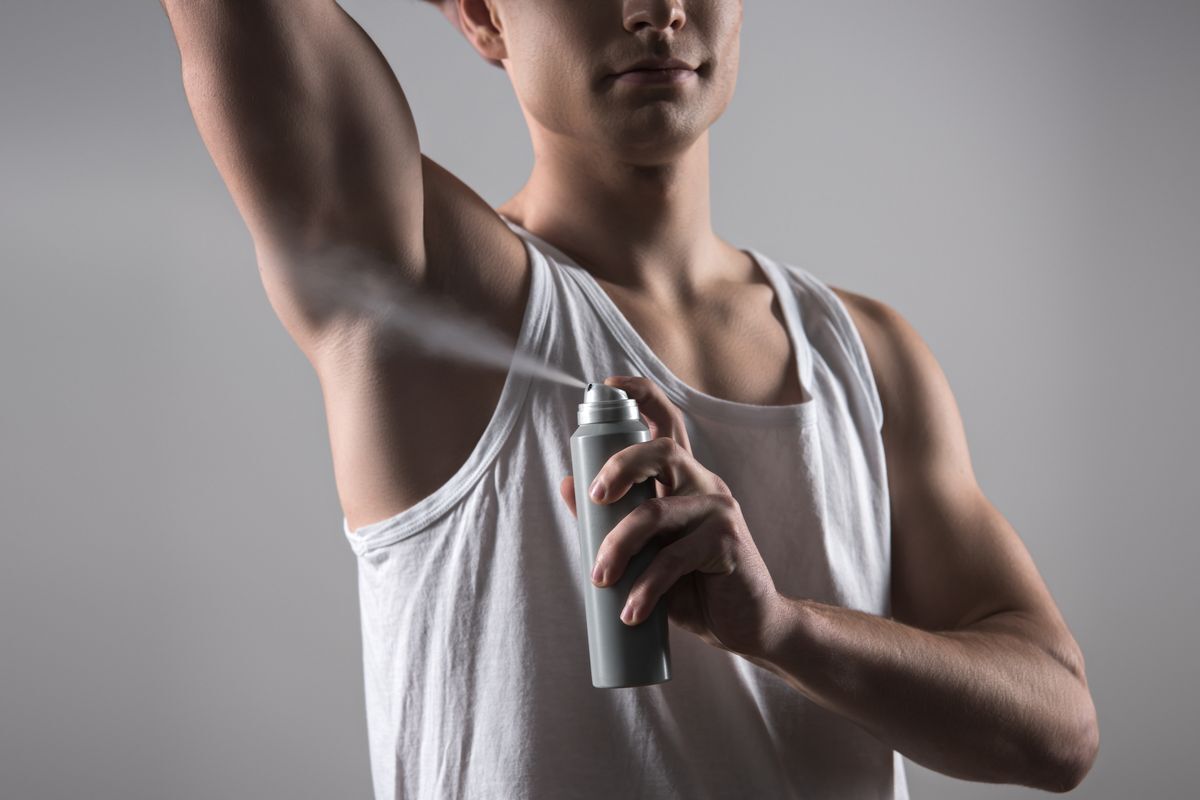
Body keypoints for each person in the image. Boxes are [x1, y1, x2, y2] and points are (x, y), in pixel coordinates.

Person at [158, 1, 1099, 797]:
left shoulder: (867, 354)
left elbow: (1056, 729)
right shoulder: (427, 290)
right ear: (485, 16)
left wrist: (780, 630)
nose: (658, 9)